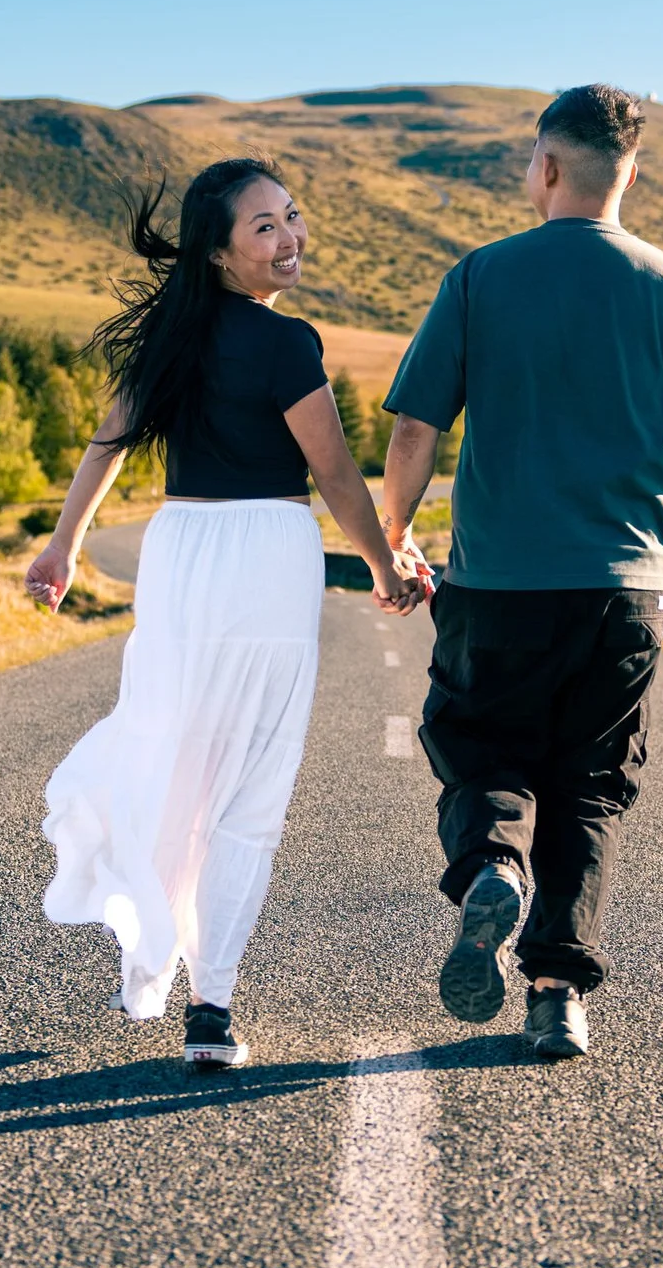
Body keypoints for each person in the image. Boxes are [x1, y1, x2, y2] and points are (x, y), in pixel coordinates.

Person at [23, 157, 422, 1070]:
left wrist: (65, 544)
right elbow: (330, 473)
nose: (288, 239)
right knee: (250, 788)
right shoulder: (288, 346)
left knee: (174, 756)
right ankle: (214, 1003)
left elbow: (107, 448)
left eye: (290, 217)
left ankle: (158, 953)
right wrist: (382, 563)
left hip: (178, 556)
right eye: (264, 228)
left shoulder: (164, 339)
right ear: (218, 250)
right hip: (266, 558)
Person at [378, 84, 663, 1060]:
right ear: (630, 170)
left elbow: (415, 426)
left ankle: (493, 862)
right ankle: (554, 994)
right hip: (626, 585)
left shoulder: (480, 276)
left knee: (475, 737)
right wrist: (657, 520)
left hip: (497, 578)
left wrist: (395, 533)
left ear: (546, 166)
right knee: (589, 782)